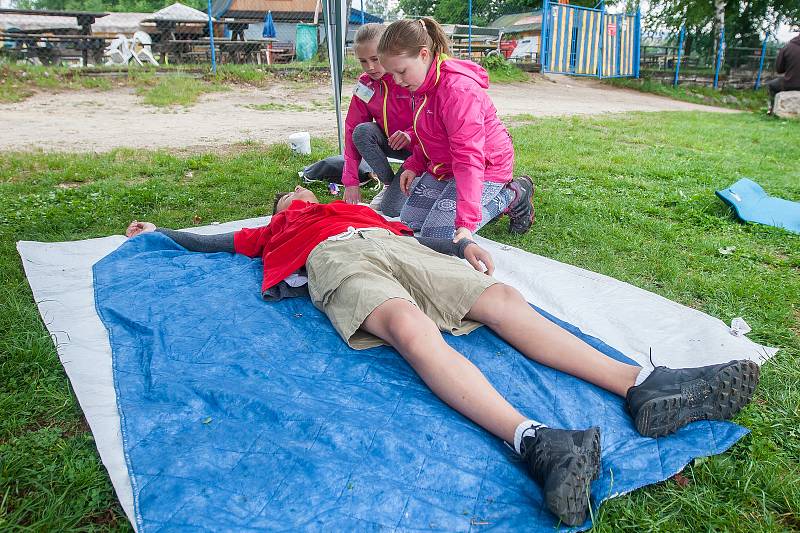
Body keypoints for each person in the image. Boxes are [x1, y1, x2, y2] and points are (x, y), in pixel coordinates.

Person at [126, 186, 759, 526]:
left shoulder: (357, 208)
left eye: (300, 194)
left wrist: (462, 245)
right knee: (403, 322)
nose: (296, 197)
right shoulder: (279, 231)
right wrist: (157, 236)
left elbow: (419, 231)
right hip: (339, 262)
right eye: (286, 198)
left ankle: (642, 385)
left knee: (501, 298)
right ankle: (538, 441)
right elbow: (205, 239)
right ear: (278, 212)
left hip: (391, 245)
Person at [377, 17, 535, 240]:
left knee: (440, 235)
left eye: (401, 72)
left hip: (485, 165)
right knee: (409, 222)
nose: (397, 81)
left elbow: (469, 157)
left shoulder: (457, 91)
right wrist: (414, 164)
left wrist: (466, 224)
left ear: (423, 55)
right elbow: (428, 134)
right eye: (392, 74)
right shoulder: (422, 83)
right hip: (448, 165)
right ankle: (466, 203)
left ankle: (511, 195)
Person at [341, 23, 415, 216]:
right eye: (363, 61)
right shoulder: (365, 84)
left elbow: (434, 118)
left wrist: (410, 134)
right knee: (362, 131)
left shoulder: (407, 76)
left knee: (390, 210)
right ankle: (390, 184)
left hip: (423, 148)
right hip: (396, 145)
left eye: (375, 59)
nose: (370, 67)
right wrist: (351, 181)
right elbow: (352, 128)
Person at [768, 32, 800, 114]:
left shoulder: (788, 47)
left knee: (772, 85)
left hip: (790, 84)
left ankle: (771, 110)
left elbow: (779, 69)